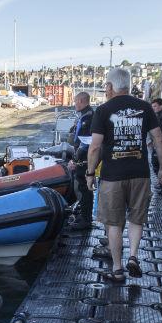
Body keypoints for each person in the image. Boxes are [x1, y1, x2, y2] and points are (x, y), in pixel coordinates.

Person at [86, 68, 162, 282]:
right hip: (140, 174)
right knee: (136, 218)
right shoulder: (144, 108)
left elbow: (95, 147)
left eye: (106, 85)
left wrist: (89, 173)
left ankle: (117, 268)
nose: (105, 88)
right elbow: (158, 139)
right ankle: (133, 256)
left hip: (113, 175)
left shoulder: (103, 110)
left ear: (112, 86)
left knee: (113, 223)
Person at [67, 92, 94, 230]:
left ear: (82, 101)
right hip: (82, 157)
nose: (74, 104)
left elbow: (85, 143)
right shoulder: (84, 115)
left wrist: (75, 160)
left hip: (84, 159)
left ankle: (86, 219)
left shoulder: (88, 117)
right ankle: (83, 214)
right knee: (82, 187)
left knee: (84, 189)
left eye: (76, 101)